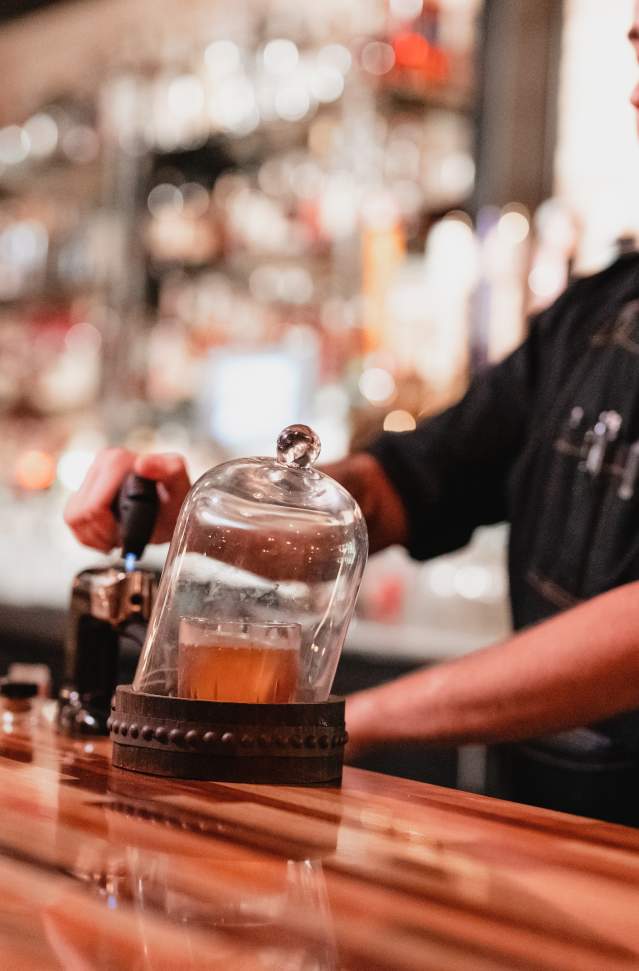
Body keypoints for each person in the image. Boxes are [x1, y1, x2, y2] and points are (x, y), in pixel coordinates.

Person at [66, 7, 639, 825]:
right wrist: (201, 515)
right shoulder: (597, 312)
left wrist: (334, 724)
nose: (636, 96)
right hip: (550, 840)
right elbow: (395, 488)